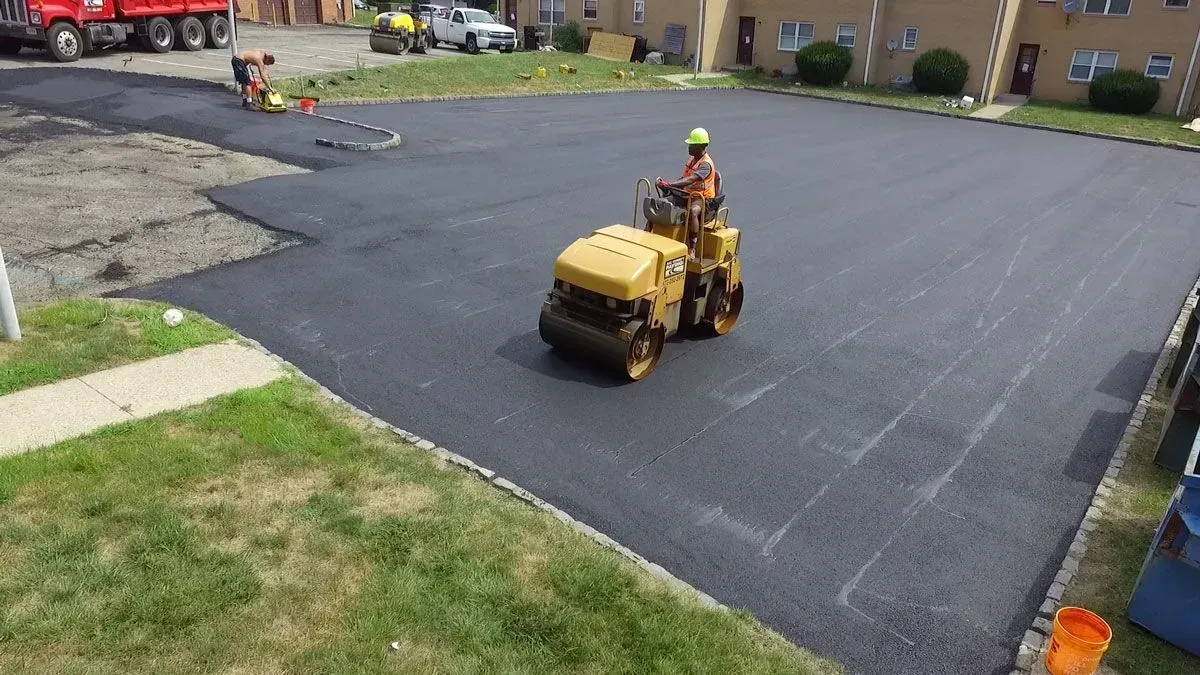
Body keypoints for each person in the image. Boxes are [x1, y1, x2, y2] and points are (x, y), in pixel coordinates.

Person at [656, 127, 717, 259]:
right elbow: (684, 178)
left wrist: (671, 184)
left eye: (691, 145)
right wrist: (667, 186)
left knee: (693, 211)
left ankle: (692, 249)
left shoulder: (706, 164)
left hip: (702, 198)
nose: (688, 147)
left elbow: (692, 179)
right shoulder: (691, 160)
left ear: (700, 146)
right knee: (660, 204)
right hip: (687, 194)